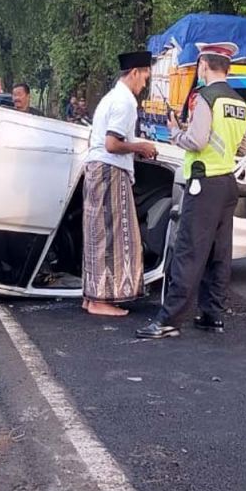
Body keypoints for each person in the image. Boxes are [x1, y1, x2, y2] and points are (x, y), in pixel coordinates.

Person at [137, 42, 246, 339]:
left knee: (189, 251)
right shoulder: (239, 102)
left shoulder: (206, 97)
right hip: (228, 184)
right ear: (227, 67)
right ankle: (212, 315)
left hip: (204, 184)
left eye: (199, 66)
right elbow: (245, 146)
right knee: (219, 253)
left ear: (204, 65)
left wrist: (177, 132)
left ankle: (169, 320)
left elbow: (198, 141)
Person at [82, 50, 159, 317]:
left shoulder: (109, 98)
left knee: (96, 234)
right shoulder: (125, 102)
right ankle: (103, 300)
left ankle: (91, 298)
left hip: (96, 168)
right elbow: (112, 143)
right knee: (113, 235)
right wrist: (140, 147)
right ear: (135, 72)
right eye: (145, 76)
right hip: (110, 170)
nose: (145, 83)